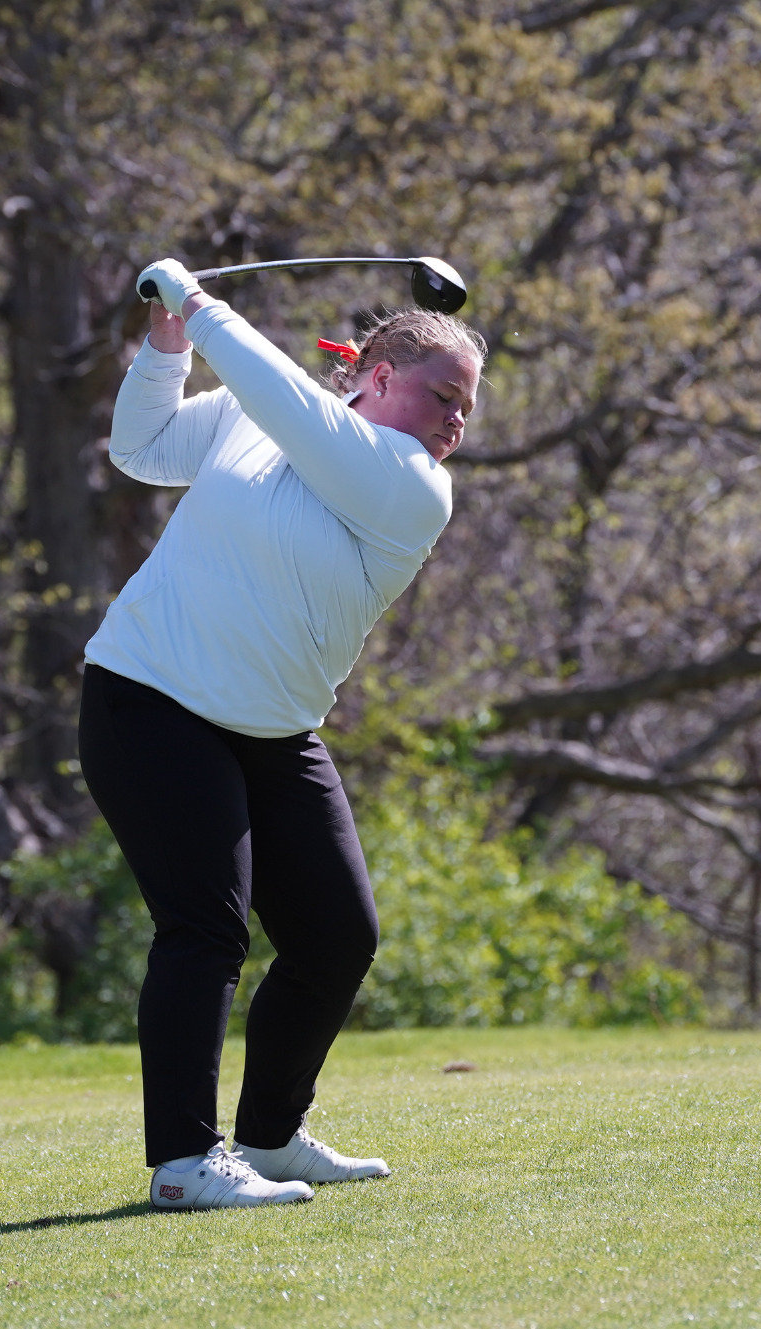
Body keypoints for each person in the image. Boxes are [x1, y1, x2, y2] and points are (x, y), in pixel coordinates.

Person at [79, 257, 484, 1210]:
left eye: (468, 407)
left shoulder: (412, 484)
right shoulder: (265, 414)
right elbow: (141, 448)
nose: (457, 420)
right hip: (150, 697)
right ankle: (183, 1163)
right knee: (206, 925)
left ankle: (266, 1138)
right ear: (379, 376)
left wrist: (200, 302)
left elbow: (301, 412)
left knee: (338, 935)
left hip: (271, 727)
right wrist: (168, 344)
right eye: (444, 395)